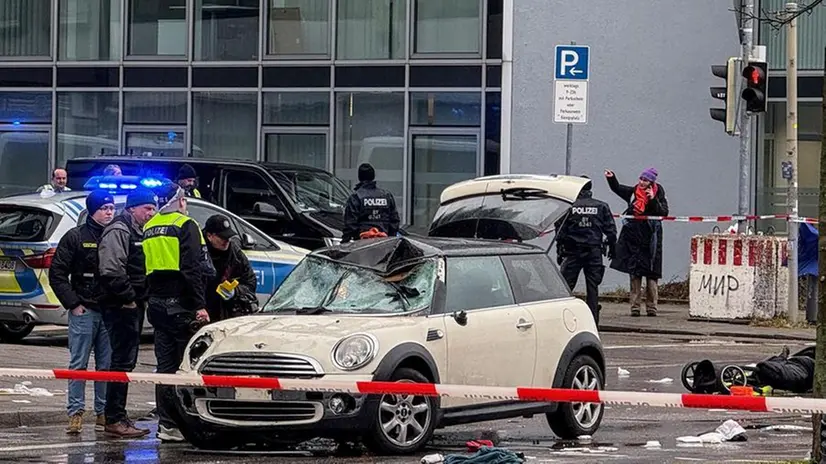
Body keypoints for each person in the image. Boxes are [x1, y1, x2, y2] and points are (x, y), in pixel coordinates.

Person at [142, 182, 210, 443]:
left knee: (165, 368)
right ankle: (186, 422)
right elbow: (192, 269)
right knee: (186, 368)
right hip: (182, 304)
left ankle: (167, 424)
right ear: (180, 201)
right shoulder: (186, 226)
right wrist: (200, 305)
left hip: (157, 304)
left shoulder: (149, 226)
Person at [48, 190, 114, 434]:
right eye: (104, 208)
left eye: (111, 208)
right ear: (92, 210)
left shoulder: (116, 234)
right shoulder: (75, 237)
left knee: (106, 366)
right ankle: (75, 413)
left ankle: (103, 413)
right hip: (83, 310)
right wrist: (73, 303)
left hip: (108, 310)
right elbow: (57, 273)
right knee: (79, 365)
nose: (109, 213)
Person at [97, 187, 158, 438]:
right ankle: (115, 418)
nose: (151, 213)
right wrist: (130, 298)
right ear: (133, 208)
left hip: (130, 303)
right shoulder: (120, 230)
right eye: (147, 208)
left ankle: (117, 416)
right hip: (120, 305)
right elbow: (111, 269)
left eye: (154, 208)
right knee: (121, 361)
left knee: (125, 361)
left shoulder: (136, 231)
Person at [605, 167, 669, 317]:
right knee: (635, 272)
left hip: (652, 238)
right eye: (641, 178)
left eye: (645, 180)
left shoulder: (658, 193)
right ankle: (635, 307)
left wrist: (653, 199)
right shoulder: (633, 192)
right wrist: (611, 178)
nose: (641, 182)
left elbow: (663, 213)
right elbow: (617, 188)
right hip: (634, 237)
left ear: (651, 182)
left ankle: (652, 307)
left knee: (652, 273)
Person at [555, 176, 617, 325]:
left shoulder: (569, 206)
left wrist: (559, 251)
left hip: (572, 252)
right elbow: (611, 231)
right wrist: (612, 249)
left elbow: (560, 231)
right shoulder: (601, 206)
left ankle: (563, 320)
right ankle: (593, 322)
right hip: (594, 252)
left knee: (565, 287)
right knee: (593, 287)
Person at [203, 214, 258, 322]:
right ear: (210, 236)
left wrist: (235, 291)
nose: (227, 241)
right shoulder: (198, 250)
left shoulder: (235, 253)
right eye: (222, 237)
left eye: (228, 237)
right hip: (203, 310)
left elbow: (250, 282)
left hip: (225, 312)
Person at [342, 163, 400, 243]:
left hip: (363, 244)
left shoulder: (356, 197)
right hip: (383, 242)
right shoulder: (386, 196)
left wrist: (346, 242)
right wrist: (389, 238)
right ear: (373, 176)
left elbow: (350, 224)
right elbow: (394, 221)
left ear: (359, 177)